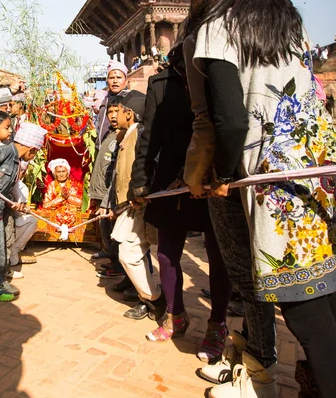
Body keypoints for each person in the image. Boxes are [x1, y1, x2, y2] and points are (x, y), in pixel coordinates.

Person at [186, 0, 336, 397]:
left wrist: (220, 175)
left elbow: (230, 118)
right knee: (331, 297)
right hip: (318, 166)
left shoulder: (219, 24)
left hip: (276, 180)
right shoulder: (286, 18)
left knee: (305, 313)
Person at [130, 44, 231, 362]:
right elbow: (150, 137)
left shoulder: (220, 73)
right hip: (171, 183)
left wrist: (218, 174)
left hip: (215, 180)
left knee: (218, 255)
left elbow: (227, 128)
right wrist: (139, 181)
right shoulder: (160, 83)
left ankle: (218, 326)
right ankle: (176, 316)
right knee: (166, 253)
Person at [101, 91, 166, 321]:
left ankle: (154, 300)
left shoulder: (138, 134)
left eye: (118, 111)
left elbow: (144, 168)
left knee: (132, 254)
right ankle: (150, 298)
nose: (114, 115)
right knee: (129, 253)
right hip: (126, 205)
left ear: (129, 113)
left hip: (137, 205)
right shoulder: (127, 135)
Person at [0, 123, 46, 302]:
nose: (34, 155)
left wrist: (15, 203)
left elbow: (10, 188)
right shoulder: (5, 151)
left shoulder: (17, 162)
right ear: (31, 148)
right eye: (36, 151)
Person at [90, 94, 128, 280]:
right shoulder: (108, 134)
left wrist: (108, 197)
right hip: (102, 192)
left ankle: (118, 266)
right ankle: (114, 261)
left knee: (115, 232)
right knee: (106, 229)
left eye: (116, 111)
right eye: (110, 112)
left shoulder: (123, 137)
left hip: (111, 194)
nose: (113, 116)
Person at [96, 60, 129, 149]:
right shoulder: (105, 99)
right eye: (111, 78)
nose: (115, 81)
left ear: (126, 81)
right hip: (101, 147)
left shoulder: (131, 100)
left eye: (119, 77)